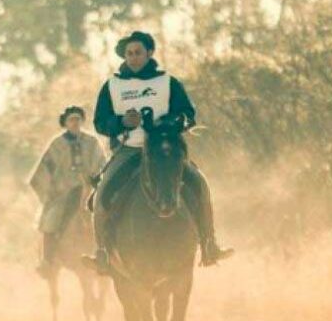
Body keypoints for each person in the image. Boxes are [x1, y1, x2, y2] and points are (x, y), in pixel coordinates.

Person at [83, 31, 232, 273]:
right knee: (102, 193)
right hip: (128, 151)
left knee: (200, 184)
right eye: (129, 54)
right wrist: (122, 122)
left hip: (165, 151)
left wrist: (172, 122)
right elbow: (100, 123)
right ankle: (101, 253)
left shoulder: (168, 82)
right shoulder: (112, 86)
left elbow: (188, 115)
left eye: (138, 52)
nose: (133, 58)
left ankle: (209, 243)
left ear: (150, 53)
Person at [28, 106, 106, 277]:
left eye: (78, 119)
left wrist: (96, 181)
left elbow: (102, 164)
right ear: (65, 123)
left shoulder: (92, 142)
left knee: (107, 215)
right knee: (50, 219)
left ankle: (108, 255)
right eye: (71, 119)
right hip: (63, 194)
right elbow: (41, 174)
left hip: (89, 191)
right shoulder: (57, 144)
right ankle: (47, 261)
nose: (75, 122)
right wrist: (51, 194)